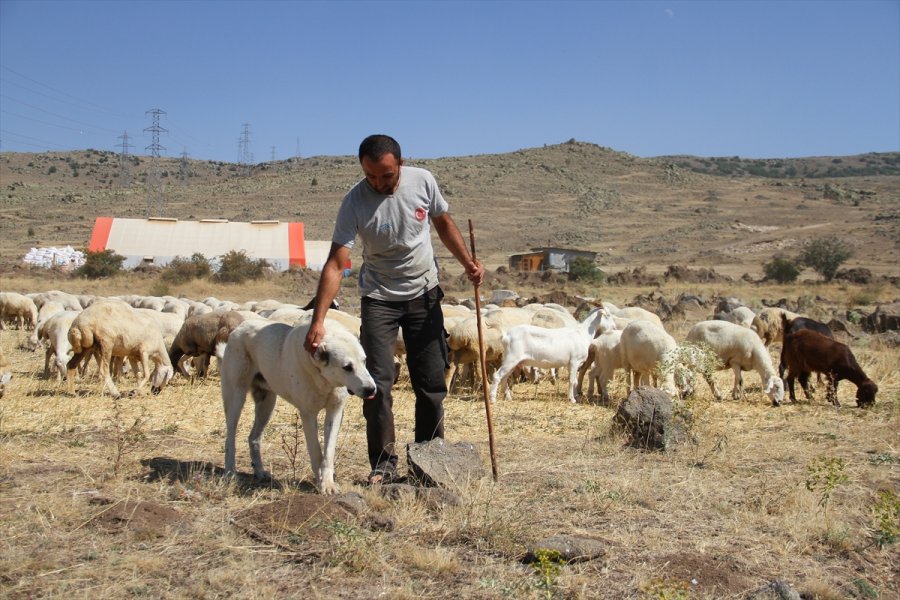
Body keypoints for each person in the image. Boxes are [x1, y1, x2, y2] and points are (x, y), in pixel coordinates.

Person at [304, 134, 485, 485]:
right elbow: (336, 262)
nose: (379, 183)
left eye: (386, 176)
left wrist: (468, 263)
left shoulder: (423, 181)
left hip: (424, 293)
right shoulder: (354, 202)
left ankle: (429, 459)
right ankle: (383, 466)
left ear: (400, 164)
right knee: (375, 384)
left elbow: (443, 224)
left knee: (431, 381)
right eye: (370, 176)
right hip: (379, 298)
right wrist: (318, 320)